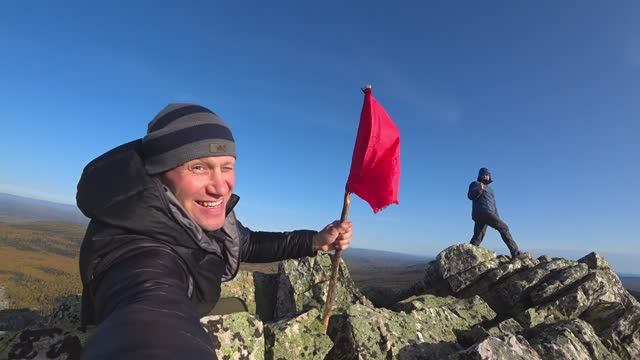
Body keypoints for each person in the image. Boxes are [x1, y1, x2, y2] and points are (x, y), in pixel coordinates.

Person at [76, 103, 353, 359]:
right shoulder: (141, 250)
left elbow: (248, 244)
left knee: (240, 309)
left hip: (193, 307)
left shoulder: (184, 213)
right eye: (198, 167)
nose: (220, 187)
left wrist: (315, 240)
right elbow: (150, 314)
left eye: (227, 167)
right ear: (160, 172)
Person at [467, 167, 521, 258]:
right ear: (480, 175)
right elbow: (470, 196)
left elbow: (494, 206)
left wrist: (498, 217)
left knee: (477, 237)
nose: (486, 176)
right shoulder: (475, 184)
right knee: (504, 228)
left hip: (485, 214)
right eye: (484, 174)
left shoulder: (491, 190)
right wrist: (479, 189)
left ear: (489, 177)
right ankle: (516, 253)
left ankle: (467, 256)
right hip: (484, 212)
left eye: (487, 175)